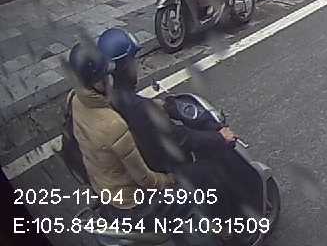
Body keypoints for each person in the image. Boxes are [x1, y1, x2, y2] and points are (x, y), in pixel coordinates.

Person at [66, 42, 215, 245]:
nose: (109, 79)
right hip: (133, 206)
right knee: (201, 179)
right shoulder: (113, 125)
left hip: (104, 188)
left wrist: (159, 106)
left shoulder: (75, 100)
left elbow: (128, 107)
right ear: (96, 83)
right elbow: (147, 180)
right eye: (104, 76)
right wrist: (172, 180)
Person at [95, 29, 238, 211]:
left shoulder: (107, 99)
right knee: (212, 173)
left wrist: (162, 106)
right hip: (153, 178)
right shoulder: (137, 108)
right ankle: (226, 223)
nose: (137, 65)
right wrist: (219, 138)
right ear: (125, 66)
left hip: (122, 174)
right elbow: (180, 138)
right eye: (134, 61)